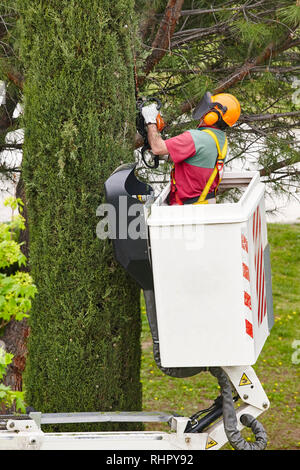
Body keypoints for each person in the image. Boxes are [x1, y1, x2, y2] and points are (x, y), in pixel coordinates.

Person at [141, 91, 241, 205]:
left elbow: (157, 148)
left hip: (188, 209)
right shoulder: (220, 139)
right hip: (205, 204)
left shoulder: (196, 138)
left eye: (209, 110)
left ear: (213, 116)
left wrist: (150, 121)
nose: (204, 112)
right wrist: (168, 154)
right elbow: (197, 159)